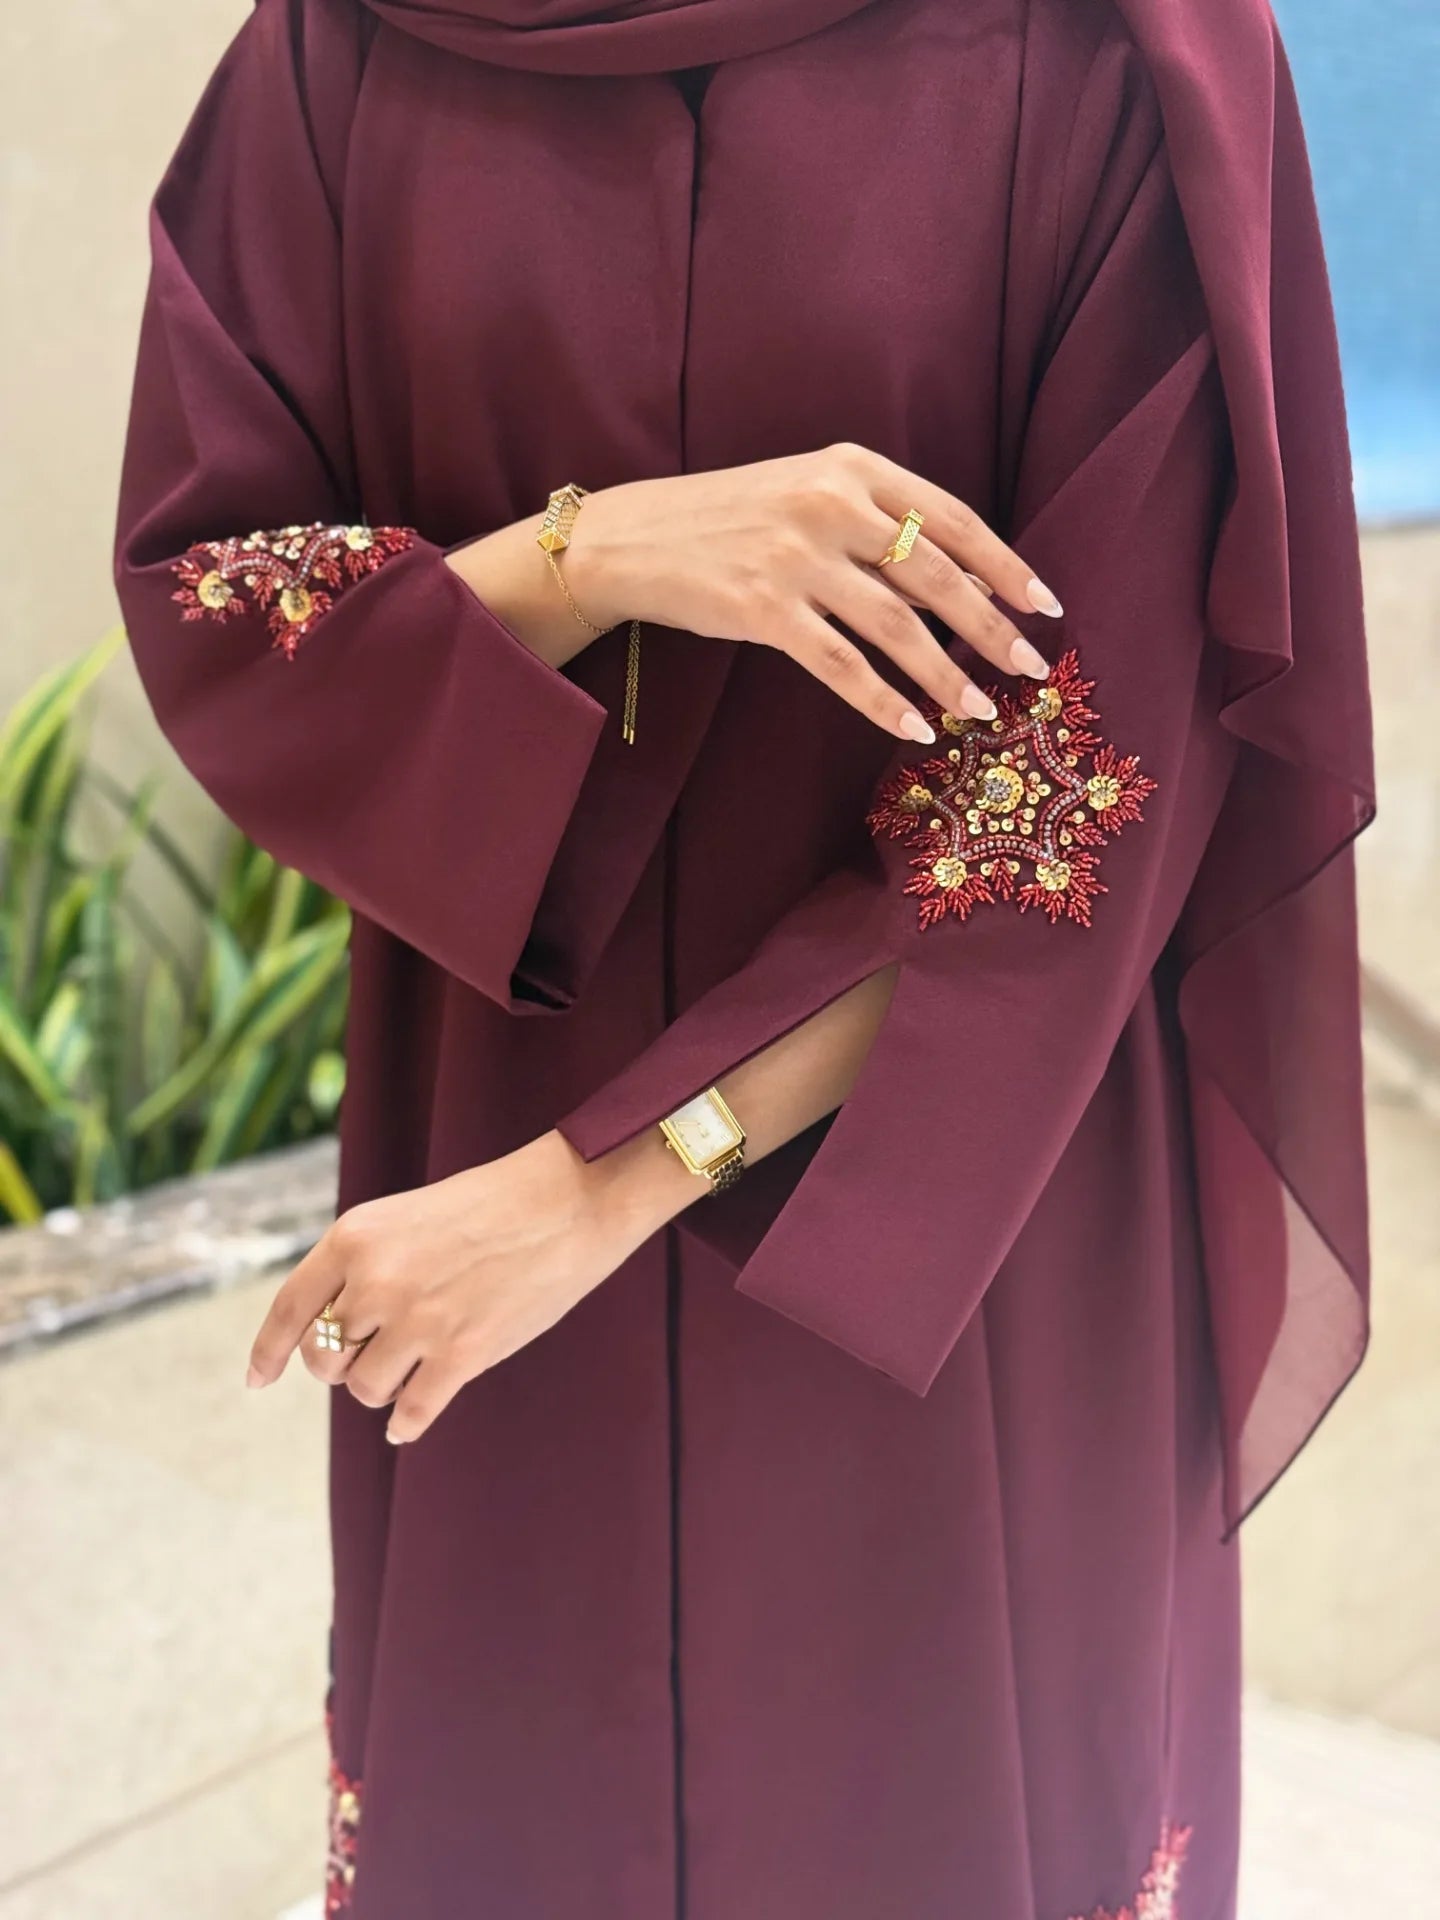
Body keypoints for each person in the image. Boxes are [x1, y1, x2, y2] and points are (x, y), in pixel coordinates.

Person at [114, 0, 1374, 1914]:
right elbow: (215, 585)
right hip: (499, 1119)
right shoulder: (344, 52)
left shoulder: (1119, 50)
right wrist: (600, 549)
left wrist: (601, 1185)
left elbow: (1101, 763)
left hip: (950, 1159)